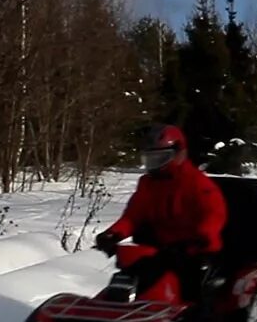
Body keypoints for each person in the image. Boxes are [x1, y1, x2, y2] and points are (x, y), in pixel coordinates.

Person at [95, 124, 228, 302]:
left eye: (159, 158)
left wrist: (203, 236)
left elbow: (214, 214)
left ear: (178, 153)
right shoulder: (148, 184)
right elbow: (133, 216)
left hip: (194, 253)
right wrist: (113, 234)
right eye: (150, 159)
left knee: (196, 300)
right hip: (159, 251)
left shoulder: (197, 184)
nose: (154, 165)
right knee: (129, 280)